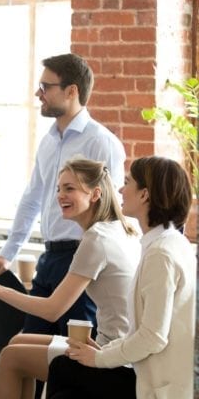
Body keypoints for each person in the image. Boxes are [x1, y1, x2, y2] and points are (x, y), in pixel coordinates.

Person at [0, 54, 125, 399]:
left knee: (70, 368)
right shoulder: (48, 141)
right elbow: (32, 198)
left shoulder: (100, 141)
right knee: (25, 356)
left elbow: (110, 209)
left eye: (46, 86)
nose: (38, 93)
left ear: (71, 91)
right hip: (49, 259)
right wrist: (9, 253)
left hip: (83, 262)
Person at [0, 158, 139, 399]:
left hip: (111, 359)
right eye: (58, 189)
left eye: (70, 188)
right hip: (116, 348)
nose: (60, 195)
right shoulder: (121, 228)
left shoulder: (96, 239)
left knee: (11, 357)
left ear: (95, 194)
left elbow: (52, 310)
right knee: (17, 340)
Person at [47, 156, 195, 399]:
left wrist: (100, 357)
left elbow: (152, 337)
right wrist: (106, 349)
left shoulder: (160, 254)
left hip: (156, 385)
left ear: (145, 195)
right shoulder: (168, 242)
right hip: (144, 370)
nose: (120, 190)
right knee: (65, 377)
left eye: (127, 183)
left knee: (63, 370)